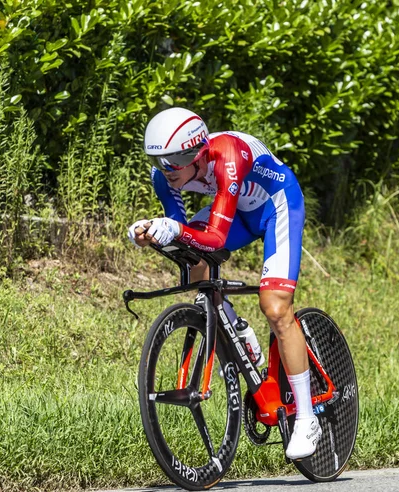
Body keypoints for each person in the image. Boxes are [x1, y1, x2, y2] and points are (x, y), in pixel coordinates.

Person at [128, 107, 321, 460]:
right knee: (192, 259)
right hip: (236, 214)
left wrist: (175, 230)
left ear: (195, 154)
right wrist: (151, 233)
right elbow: (182, 232)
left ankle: (307, 418)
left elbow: (215, 238)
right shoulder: (165, 177)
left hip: (277, 207)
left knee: (276, 309)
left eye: (170, 161)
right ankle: (235, 327)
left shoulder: (228, 155)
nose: (163, 170)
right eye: (157, 161)